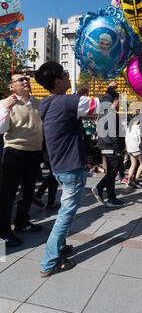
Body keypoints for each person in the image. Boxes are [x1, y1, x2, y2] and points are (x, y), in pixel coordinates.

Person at [34, 61, 101, 277]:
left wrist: (76, 98)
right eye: (64, 74)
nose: (68, 76)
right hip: (71, 168)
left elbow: (67, 109)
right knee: (66, 214)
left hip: (59, 167)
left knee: (65, 211)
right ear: (58, 81)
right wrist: (109, 91)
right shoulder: (67, 102)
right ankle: (49, 263)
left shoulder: (47, 103)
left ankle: (60, 248)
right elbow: (103, 105)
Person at [0, 71, 44, 247]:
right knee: (8, 193)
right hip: (14, 152)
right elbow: (1, 129)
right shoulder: (5, 103)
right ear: (12, 86)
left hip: (34, 152)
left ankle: (22, 222)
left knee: (28, 192)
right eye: (21, 79)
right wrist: (6, 107)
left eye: (27, 79)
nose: (26, 81)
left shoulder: (39, 103)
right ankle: (3, 231)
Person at [91, 82, 125, 207]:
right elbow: (114, 134)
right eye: (119, 101)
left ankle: (103, 191)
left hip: (104, 145)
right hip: (111, 146)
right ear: (115, 101)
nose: (120, 104)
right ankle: (109, 196)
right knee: (112, 172)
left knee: (111, 171)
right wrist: (119, 149)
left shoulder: (103, 113)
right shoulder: (110, 114)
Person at [125, 115, 142, 188]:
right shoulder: (138, 127)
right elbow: (140, 138)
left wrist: (127, 147)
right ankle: (136, 180)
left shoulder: (128, 128)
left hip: (130, 148)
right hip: (136, 148)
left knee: (133, 164)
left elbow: (126, 139)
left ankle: (129, 181)